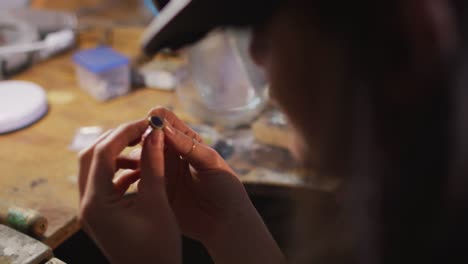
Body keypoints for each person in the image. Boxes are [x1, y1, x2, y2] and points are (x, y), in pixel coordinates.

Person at [78, 0, 468, 263]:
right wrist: (229, 226)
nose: (258, 61)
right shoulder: (409, 206)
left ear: (407, 41)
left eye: (266, 32)